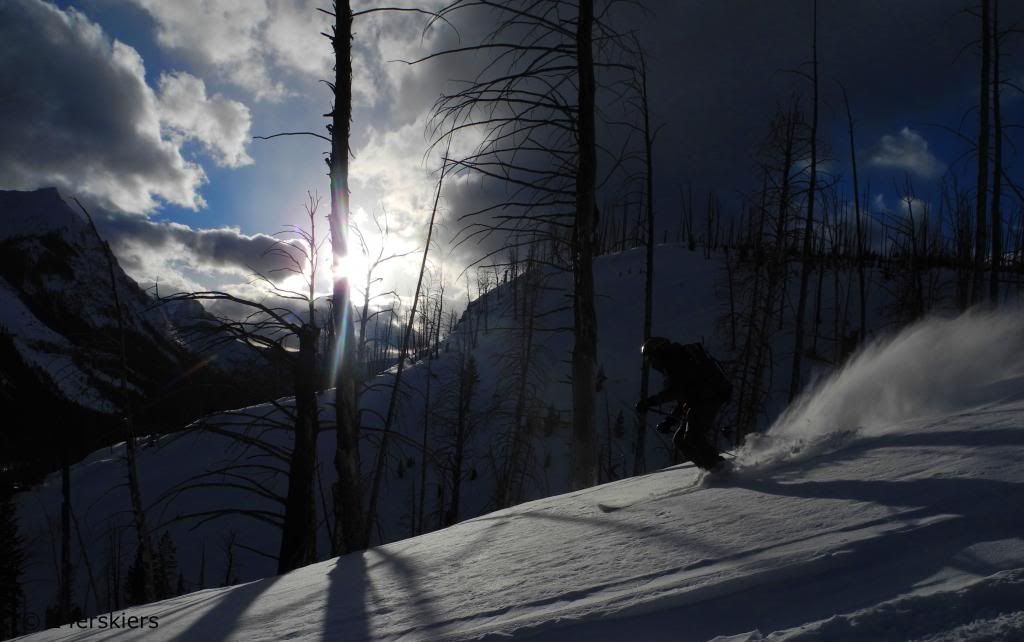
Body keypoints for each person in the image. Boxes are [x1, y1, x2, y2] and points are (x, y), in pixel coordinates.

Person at [635, 337, 732, 471]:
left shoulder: (675, 361)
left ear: (659, 352)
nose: (651, 364)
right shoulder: (675, 360)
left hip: (708, 399)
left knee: (693, 436)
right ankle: (710, 469)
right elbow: (685, 395)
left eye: (651, 358)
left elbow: (676, 391)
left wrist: (650, 402)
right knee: (680, 440)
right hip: (700, 401)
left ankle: (720, 469)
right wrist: (670, 420)